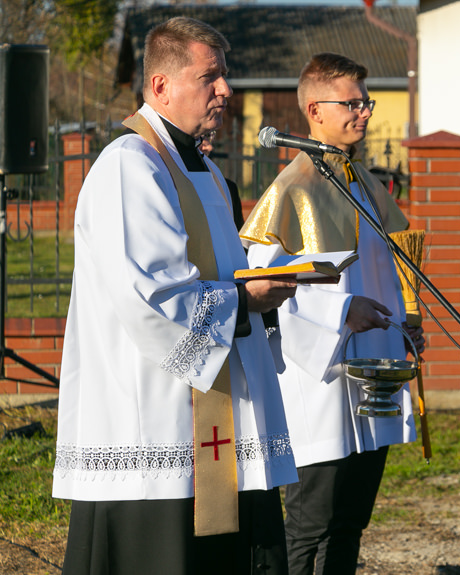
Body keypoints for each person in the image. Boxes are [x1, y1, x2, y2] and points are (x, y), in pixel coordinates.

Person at [52, 16, 299, 575]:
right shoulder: (129, 166)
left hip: (216, 428)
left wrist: (270, 284)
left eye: (226, 75)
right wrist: (245, 302)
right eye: (210, 76)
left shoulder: (205, 171)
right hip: (153, 428)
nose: (226, 90)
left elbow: (218, 276)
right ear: (161, 86)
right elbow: (154, 298)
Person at [240, 52, 422, 575]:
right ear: (315, 110)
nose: (364, 112)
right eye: (353, 103)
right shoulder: (293, 189)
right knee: (308, 528)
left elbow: (387, 269)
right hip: (318, 383)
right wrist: (342, 308)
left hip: (371, 374)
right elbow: (263, 287)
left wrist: (406, 322)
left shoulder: (362, 183)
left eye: (367, 102)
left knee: (350, 523)